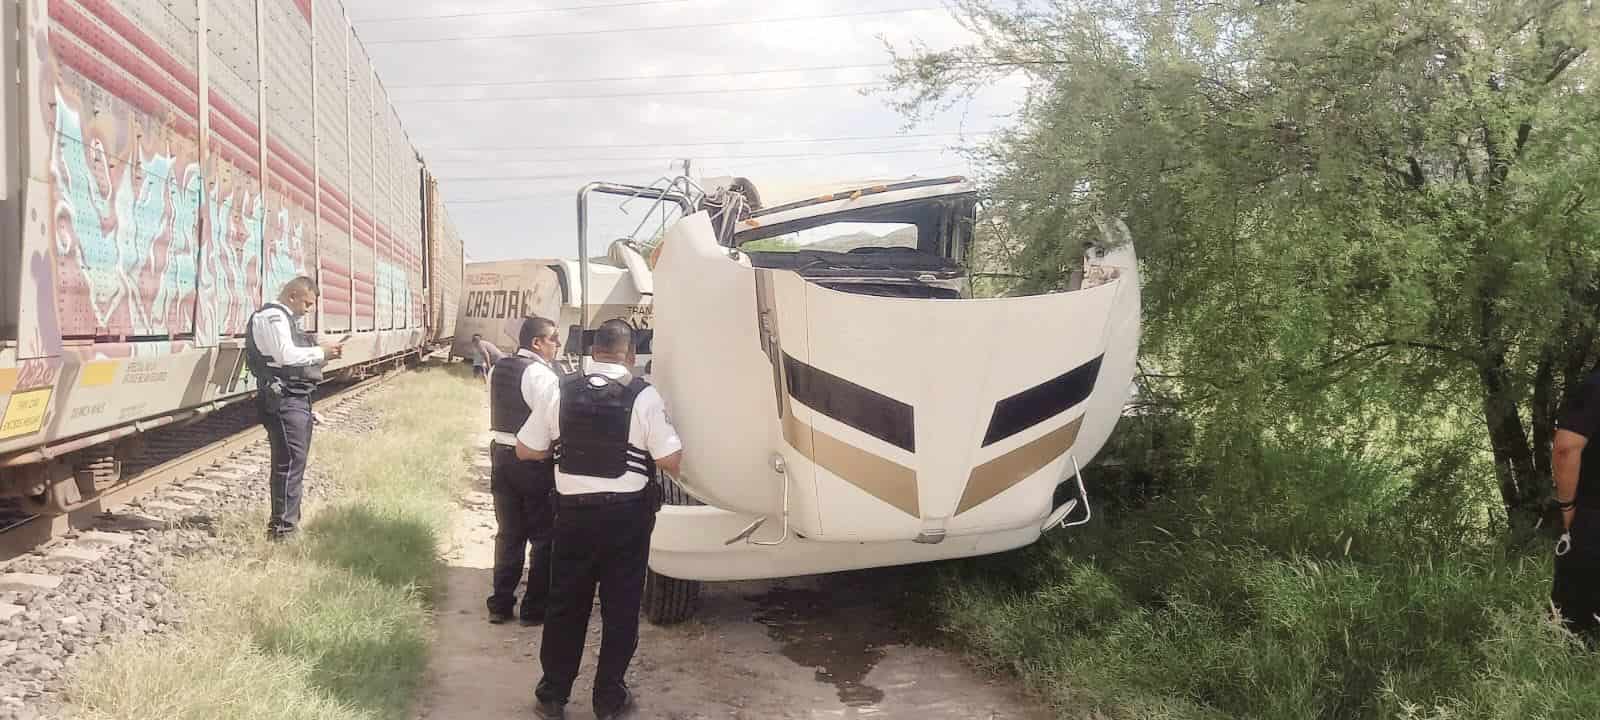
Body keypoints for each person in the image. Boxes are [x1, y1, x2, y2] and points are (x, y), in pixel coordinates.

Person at [516, 319, 682, 720]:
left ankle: (553, 695)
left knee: (566, 605)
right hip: (625, 520)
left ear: (593, 353)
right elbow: (669, 460)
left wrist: (564, 447)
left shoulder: (560, 388)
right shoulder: (644, 396)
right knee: (620, 608)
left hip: (572, 518)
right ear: (629, 355)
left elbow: (524, 449)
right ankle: (608, 700)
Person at [244, 276, 343, 541]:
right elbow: (285, 355)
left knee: (293, 462)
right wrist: (321, 353)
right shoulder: (273, 317)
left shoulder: (284, 319)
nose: (308, 310)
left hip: (294, 399)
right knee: (289, 464)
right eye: (307, 303)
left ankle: (288, 525)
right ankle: (282, 532)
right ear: (292, 296)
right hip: (283, 400)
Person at [485, 316, 563, 625]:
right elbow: (553, 420)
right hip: (530, 460)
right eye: (553, 339)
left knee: (509, 534)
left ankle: (500, 604)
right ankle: (534, 609)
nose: (557, 344)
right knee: (543, 537)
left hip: (500, 456)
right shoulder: (540, 375)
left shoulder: (498, 368)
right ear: (537, 343)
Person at [1552, 373, 1600, 643]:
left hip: (1594, 518)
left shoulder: (1594, 388)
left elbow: (1566, 449)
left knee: (1575, 635)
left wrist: (1568, 507)